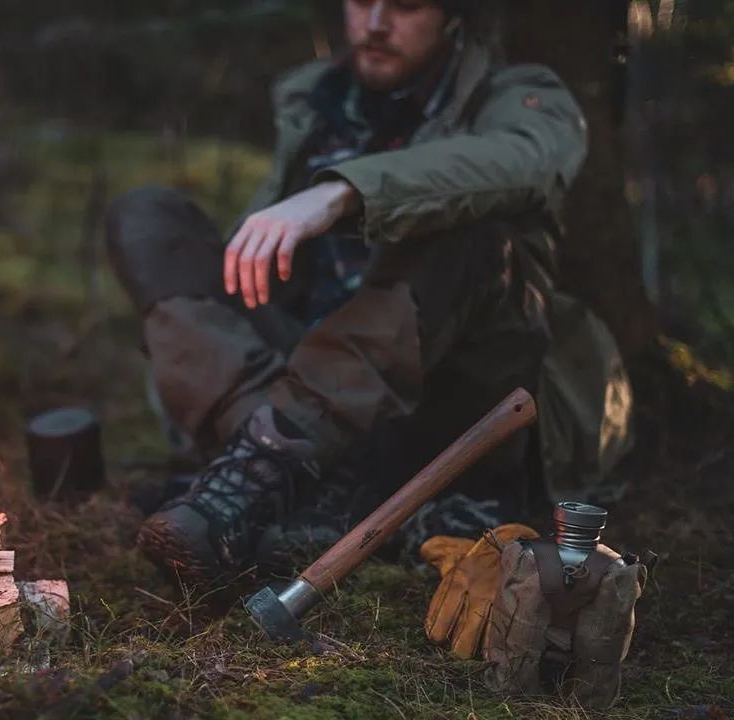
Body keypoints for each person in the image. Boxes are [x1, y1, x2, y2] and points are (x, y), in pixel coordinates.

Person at [106, 0, 591, 590]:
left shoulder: (517, 93)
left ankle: (269, 473)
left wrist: (344, 193)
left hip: (436, 403)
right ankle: (281, 474)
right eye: (362, 1)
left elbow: (524, 161)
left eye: (407, 5)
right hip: (302, 375)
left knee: (478, 228)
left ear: (451, 16)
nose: (376, 23)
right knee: (148, 218)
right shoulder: (317, 97)